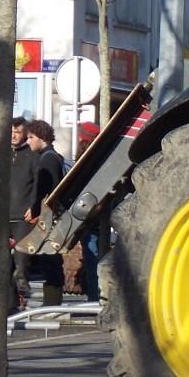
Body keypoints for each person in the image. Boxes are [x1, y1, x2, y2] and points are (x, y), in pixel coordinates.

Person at [25, 119, 65, 307]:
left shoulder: (47, 158)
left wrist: (34, 210)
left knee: (49, 258)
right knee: (50, 258)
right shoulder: (52, 156)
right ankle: (52, 301)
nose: (28, 141)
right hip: (51, 214)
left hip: (49, 216)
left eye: (31, 137)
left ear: (42, 137)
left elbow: (45, 190)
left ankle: (52, 303)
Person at [9, 116, 37, 309]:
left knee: (21, 261)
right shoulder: (1, 153)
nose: (13, 136)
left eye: (17, 132)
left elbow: (37, 183)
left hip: (22, 216)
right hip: (2, 214)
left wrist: (33, 206)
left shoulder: (32, 155)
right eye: (10, 132)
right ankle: (8, 298)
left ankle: (21, 296)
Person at [76, 121, 101, 301]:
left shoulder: (85, 160)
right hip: (96, 216)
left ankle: (94, 298)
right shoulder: (99, 157)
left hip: (90, 217)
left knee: (92, 260)